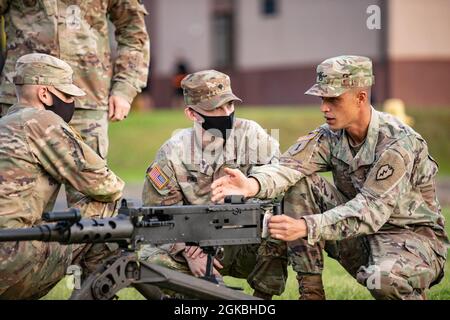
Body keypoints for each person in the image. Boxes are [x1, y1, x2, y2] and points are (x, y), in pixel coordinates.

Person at [211, 55, 448, 300]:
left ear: (361, 98)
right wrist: (250, 185)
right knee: (301, 183)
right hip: (361, 238)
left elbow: (370, 211)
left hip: (413, 240)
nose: (325, 107)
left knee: (385, 280)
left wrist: (306, 226)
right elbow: (287, 168)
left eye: (334, 99)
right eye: (323, 98)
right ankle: (312, 293)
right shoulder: (330, 136)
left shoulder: (398, 143)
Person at [140, 70, 287, 299]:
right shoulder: (172, 154)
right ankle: (201, 298)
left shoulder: (252, 135)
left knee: (284, 222)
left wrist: (251, 184)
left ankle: (260, 301)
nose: (226, 113)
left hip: (245, 242)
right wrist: (189, 250)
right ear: (191, 113)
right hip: (195, 243)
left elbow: (280, 178)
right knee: (151, 261)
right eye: (215, 109)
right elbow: (160, 216)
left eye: (229, 105)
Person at [0, 0, 149, 206]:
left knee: (96, 195)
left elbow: (133, 30)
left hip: (86, 98)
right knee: (16, 198)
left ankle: (90, 240)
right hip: (24, 99)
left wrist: (125, 87)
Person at [0, 53, 124, 299]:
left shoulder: (6, 123)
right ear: (45, 94)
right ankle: (94, 294)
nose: (71, 103)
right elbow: (106, 185)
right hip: (12, 262)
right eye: (66, 95)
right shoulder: (41, 121)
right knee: (106, 207)